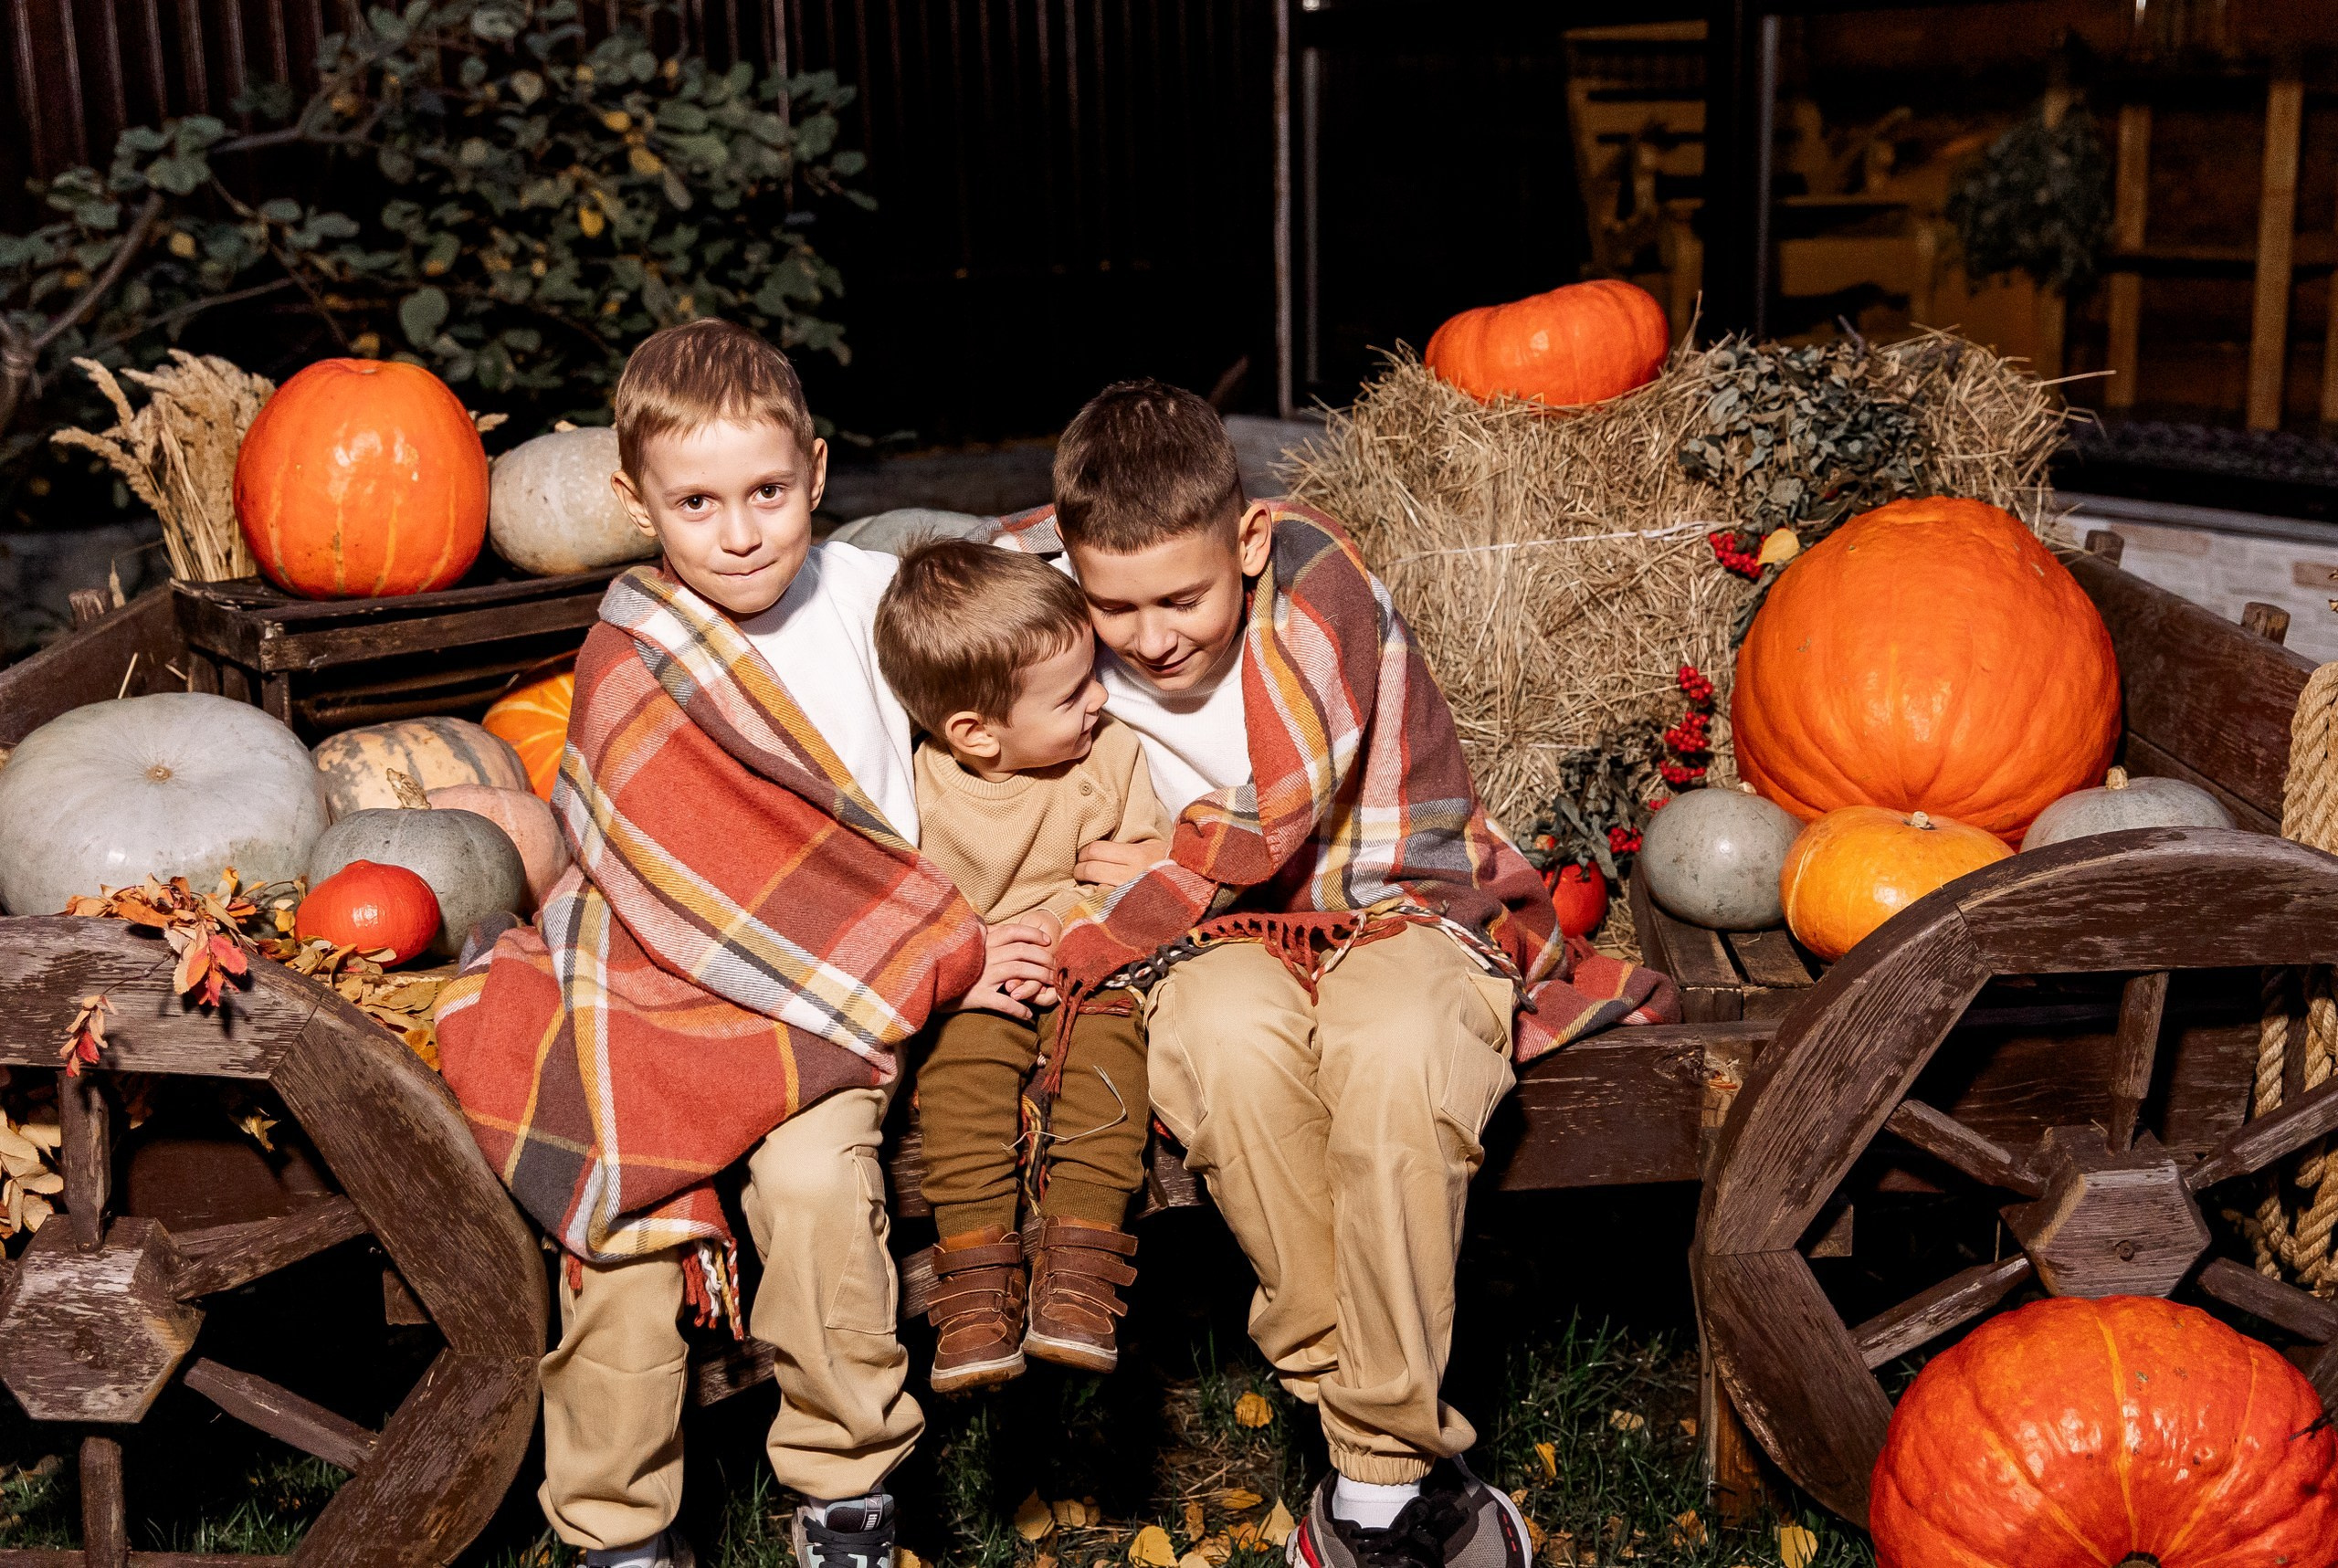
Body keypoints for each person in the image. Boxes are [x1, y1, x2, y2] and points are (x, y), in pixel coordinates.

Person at [998, 381, 1678, 1568]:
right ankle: (1390, 1472)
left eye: (1182, 598)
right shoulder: (1030, 592)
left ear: (1248, 539)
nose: (1151, 637)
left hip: (1391, 899)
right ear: (1068, 562)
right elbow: (919, 618)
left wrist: (1159, 858)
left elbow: (1279, 813)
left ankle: (1364, 1484)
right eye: (1115, 605)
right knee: (1229, 1054)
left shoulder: (1317, 581)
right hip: (1206, 940)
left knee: (1400, 1056)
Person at [436, 320, 1053, 1568]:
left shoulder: (874, 600)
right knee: (621, 1227)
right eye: (697, 503)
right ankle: (618, 1530)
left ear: (816, 473)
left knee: (820, 1186)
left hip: (834, 989)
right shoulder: (633, 653)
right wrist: (947, 955)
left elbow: (1022, 598)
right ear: (635, 503)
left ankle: (847, 1491)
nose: (739, 532)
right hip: (663, 977)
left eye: (768, 492)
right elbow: (663, 852)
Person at [872, 539, 1168, 1393]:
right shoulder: (918, 791)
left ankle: (1080, 1265)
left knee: (1110, 1057)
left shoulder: (1108, 757)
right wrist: (964, 962)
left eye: (1092, 678)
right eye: (1071, 694)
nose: (1100, 698)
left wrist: (1078, 925)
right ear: (976, 733)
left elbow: (1136, 869)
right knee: (961, 1072)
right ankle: (976, 1276)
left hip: (1087, 971)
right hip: (978, 982)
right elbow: (902, 904)